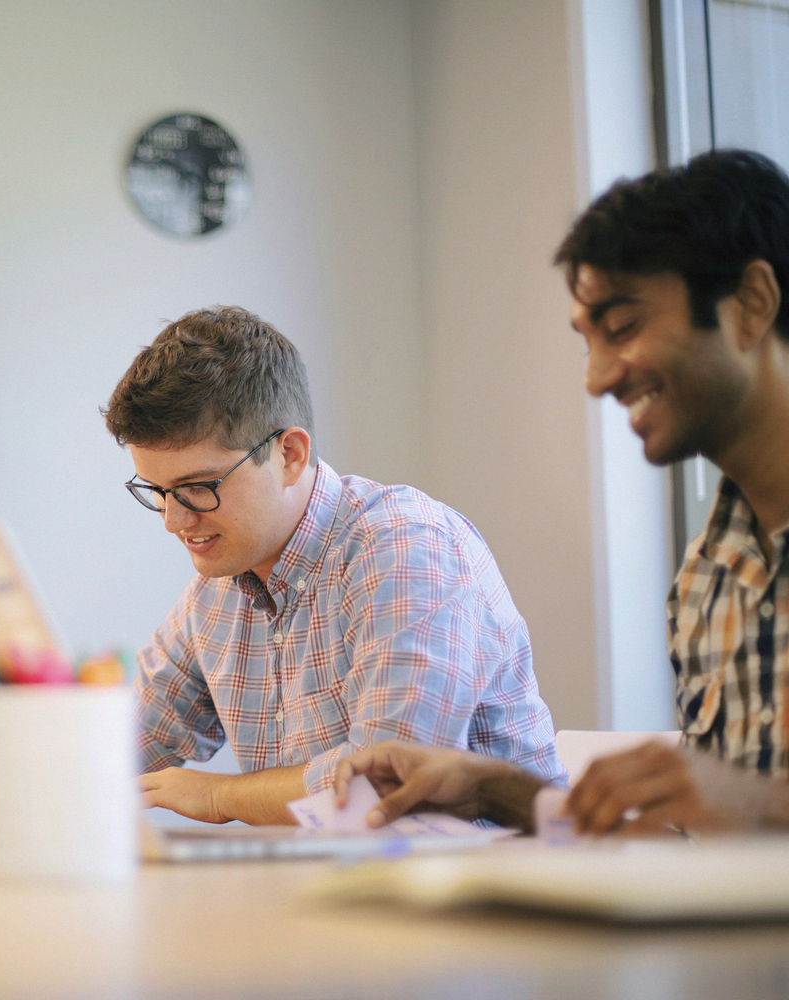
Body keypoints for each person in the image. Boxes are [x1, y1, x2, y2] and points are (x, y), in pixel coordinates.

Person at [336, 149, 789, 836]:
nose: (597, 378)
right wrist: (493, 790)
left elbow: (755, 819)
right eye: (587, 342)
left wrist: (765, 807)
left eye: (623, 328)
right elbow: (703, 845)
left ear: (752, 303)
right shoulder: (705, 583)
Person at [103, 306, 563, 825]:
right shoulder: (215, 596)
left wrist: (217, 796)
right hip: (335, 894)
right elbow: (116, 752)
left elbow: (389, 787)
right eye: (159, 492)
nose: (173, 520)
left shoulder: (407, 548)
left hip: (495, 893)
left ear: (290, 455)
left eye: (198, 488)